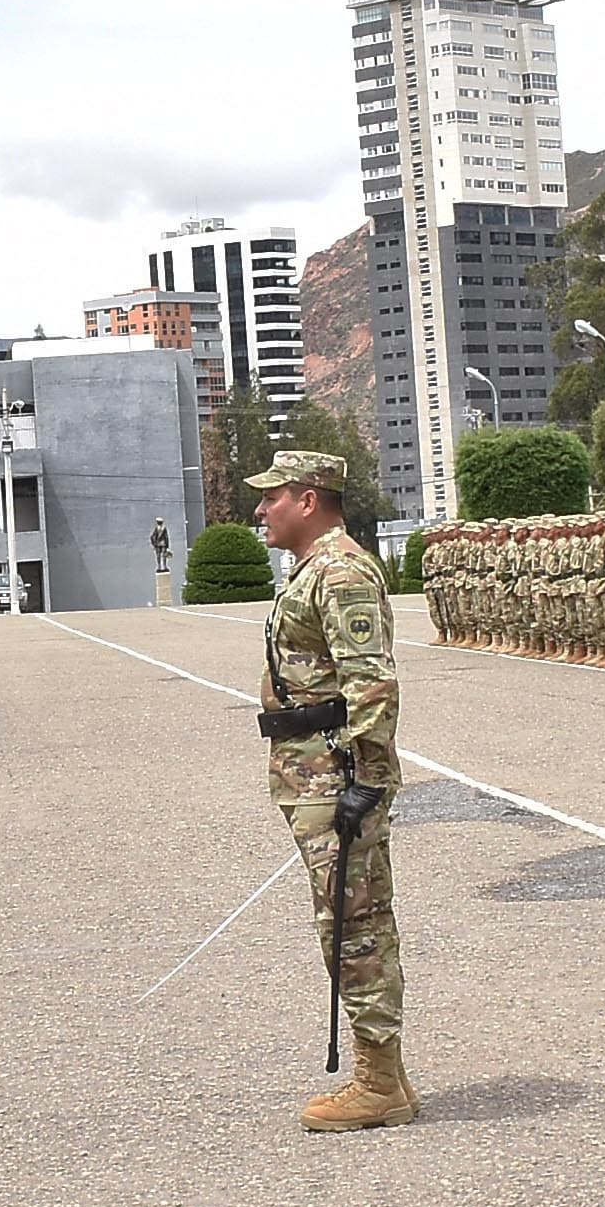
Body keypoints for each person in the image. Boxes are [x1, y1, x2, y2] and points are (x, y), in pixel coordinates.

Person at [247, 450, 411, 1132]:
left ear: (308, 500)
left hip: (336, 775)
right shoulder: (313, 568)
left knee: (354, 927)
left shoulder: (340, 572)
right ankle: (386, 1074)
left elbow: (370, 683)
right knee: (347, 921)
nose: (262, 509)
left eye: (273, 497)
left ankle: (379, 1083)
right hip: (310, 769)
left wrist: (365, 781)